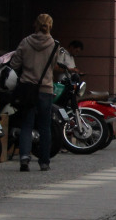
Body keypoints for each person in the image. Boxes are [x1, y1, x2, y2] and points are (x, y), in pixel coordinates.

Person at [8, 13, 74, 172]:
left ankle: (24, 157)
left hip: (27, 88)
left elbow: (14, 63)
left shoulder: (25, 42)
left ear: (35, 24)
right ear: (50, 26)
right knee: (45, 125)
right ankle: (44, 161)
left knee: (27, 124)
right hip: (45, 88)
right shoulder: (55, 45)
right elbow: (53, 66)